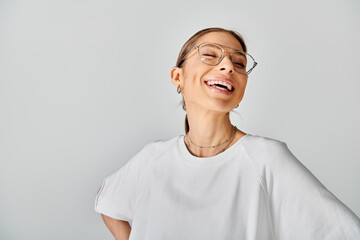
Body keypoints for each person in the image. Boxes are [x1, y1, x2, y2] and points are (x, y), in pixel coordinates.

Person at [94, 27, 360, 240]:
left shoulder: (265, 158)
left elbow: (343, 231)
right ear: (178, 77)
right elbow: (107, 202)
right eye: (210, 55)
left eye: (239, 62)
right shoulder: (152, 159)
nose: (228, 67)